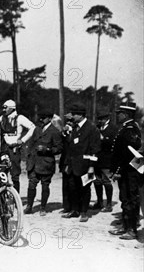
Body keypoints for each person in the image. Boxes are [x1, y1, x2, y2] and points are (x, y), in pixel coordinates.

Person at [61, 104, 101, 222]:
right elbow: (71, 147)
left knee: (85, 189)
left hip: (87, 166)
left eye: (74, 114)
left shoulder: (92, 128)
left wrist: (92, 167)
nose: (72, 116)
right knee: (72, 188)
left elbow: (95, 149)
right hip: (73, 165)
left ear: (81, 115)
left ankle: (84, 212)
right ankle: (75, 210)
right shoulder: (74, 127)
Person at [109, 102, 142, 240]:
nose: (118, 115)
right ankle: (126, 225)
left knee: (130, 199)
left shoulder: (130, 129)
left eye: (120, 113)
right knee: (125, 198)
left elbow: (127, 154)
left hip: (129, 171)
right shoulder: (126, 128)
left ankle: (131, 229)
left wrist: (117, 170)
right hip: (126, 171)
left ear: (126, 114)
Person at [25, 110, 63, 215]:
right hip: (33, 163)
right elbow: (31, 143)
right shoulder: (37, 129)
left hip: (46, 164)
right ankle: (29, 206)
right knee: (31, 185)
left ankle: (42, 207)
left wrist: (47, 149)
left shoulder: (55, 131)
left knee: (45, 186)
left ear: (50, 119)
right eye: (40, 117)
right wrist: (28, 157)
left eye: (44, 118)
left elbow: (59, 148)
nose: (41, 120)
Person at [0, 99, 36, 193]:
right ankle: (3, 196)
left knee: (15, 173)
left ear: (12, 108)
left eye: (5, 108)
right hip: (4, 148)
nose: (4, 110)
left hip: (14, 148)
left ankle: (16, 197)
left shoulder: (20, 118)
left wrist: (23, 140)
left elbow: (32, 127)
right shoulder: (1, 118)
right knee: (1, 172)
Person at [92, 110, 118, 212]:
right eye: (98, 119)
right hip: (96, 159)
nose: (99, 121)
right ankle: (99, 201)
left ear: (107, 118)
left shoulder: (113, 128)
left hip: (107, 159)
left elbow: (114, 143)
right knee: (97, 181)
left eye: (101, 119)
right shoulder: (97, 128)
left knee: (107, 181)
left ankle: (109, 204)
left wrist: (103, 139)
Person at [59, 112, 74, 213]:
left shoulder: (77, 132)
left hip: (74, 162)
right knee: (65, 185)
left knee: (74, 185)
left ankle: (75, 207)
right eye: (67, 121)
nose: (69, 123)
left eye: (71, 121)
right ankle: (66, 206)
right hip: (65, 161)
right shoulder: (65, 133)